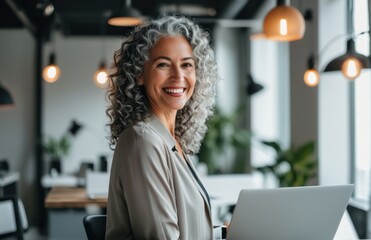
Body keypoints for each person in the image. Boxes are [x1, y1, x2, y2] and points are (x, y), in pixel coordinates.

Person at [105, 15, 219, 240]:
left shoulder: (171, 140)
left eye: (187, 64)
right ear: (139, 74)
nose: (178, 76)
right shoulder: (143, 141)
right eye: (163, 65)